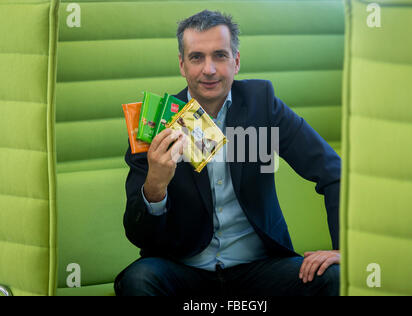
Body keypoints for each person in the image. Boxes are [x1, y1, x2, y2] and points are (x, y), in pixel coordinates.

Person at [115, 10, 341, 296]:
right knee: (139, 280)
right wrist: (156, 185)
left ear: (236, 61)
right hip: (183, 270)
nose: (208, 69)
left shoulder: (263, 104)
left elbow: (334, 173)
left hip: (260, 268)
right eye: (197, 57)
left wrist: (343, 249)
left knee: (333, 277)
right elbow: (137, 234)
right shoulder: (154, 122)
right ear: (182, 65)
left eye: (219, 56)